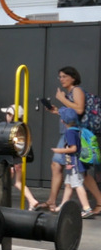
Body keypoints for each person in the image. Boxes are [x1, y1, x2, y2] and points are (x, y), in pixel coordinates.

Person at [41, 66, 101, 210]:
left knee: (78, 171)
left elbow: (79, 109)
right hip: (69, 133)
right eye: (60, 77)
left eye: (64, 76)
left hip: (75, 134)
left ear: (73, 78)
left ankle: (97, 202)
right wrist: (56, 110)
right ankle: (52, 201)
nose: (61, 79)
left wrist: (62, 99)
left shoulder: (76, 90)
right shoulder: (70, 93)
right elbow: (72, 114)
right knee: (60, 166)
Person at [52, 106, 96, 217]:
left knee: (77, 185)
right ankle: (63, 205)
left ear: (63, 121)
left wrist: (60, 150)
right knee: (68, 184)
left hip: (74, 163)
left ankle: (87, 208)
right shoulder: (77, 130)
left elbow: (73, 148)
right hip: (74, 163)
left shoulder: (69, 132)